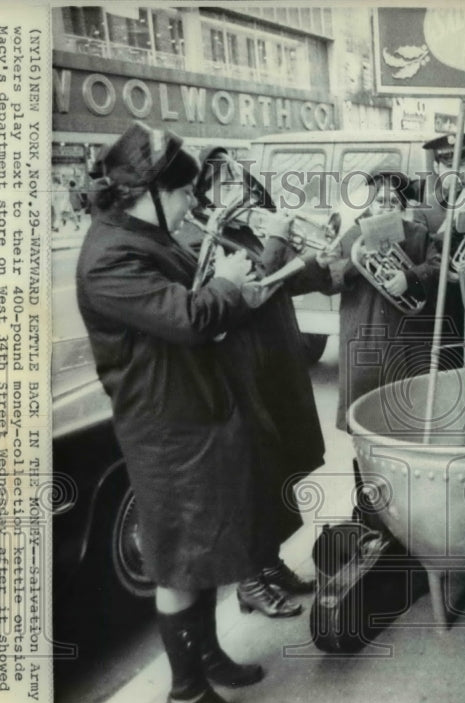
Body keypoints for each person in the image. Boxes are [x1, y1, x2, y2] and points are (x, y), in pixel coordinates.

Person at [76, 121, 269, 703]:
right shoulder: (108, 257)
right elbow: (187, 316)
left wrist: (236, 289)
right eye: (185, 193)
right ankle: (185, 693)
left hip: (193, 414)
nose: (193, 205)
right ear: (149, 190)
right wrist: (230, 287)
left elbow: (198, 301)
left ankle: (206, 655)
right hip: (165, 429)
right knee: (178, 558)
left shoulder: (139, 234)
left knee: (202, 547)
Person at [178, 146, 329, 618]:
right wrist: (280, 243)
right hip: (240, 369)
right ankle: (249, 580)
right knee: (251, 473)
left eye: (236, 178)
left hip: (276, 363)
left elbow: (289, 280)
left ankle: (271, 563)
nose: (234, 187)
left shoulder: (246, 226)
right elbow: (251, 291)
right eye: (221, 180)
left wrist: (319, 257)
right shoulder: (196, 236)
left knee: (281, 464)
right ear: (200, 189)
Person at [322, 169, 442, 431]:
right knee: (363, 423)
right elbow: (328, 282)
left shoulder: (417, 234)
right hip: (364, 340)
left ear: (401, 206)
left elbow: (438, 267)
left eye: (393, 202)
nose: (386, 207)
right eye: (380, 201)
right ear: (369, 204)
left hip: (406, 342)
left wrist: (408, 277)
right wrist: (357, 262)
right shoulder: (352, 236)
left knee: (407, 422)